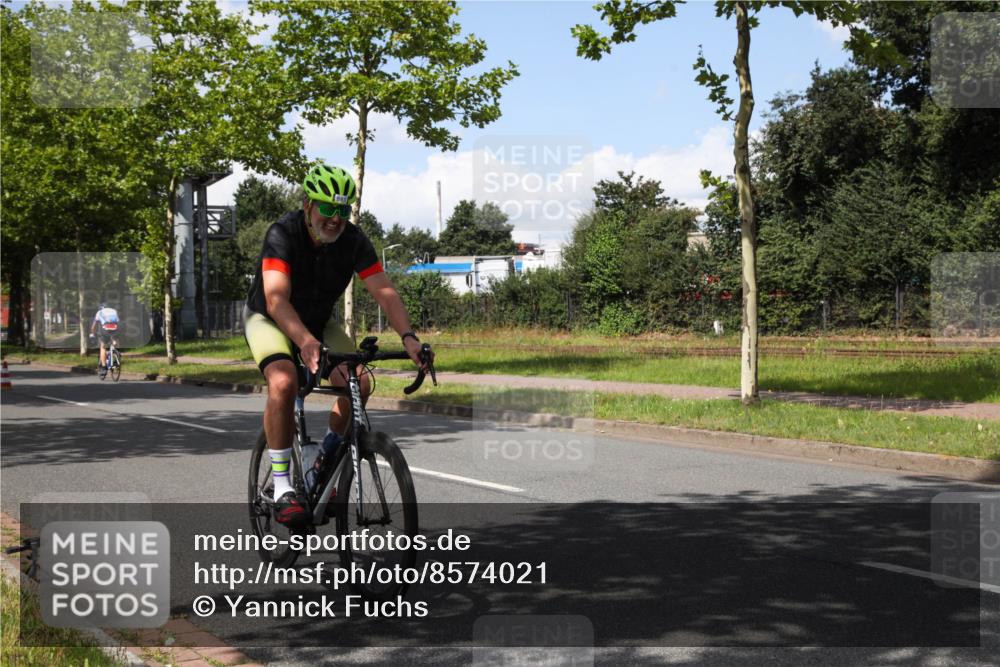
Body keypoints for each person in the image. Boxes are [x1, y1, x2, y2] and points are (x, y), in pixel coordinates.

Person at [244, 163, 432, 525]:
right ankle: (283, 487)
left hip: (317, 322)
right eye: (328, 208)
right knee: (283, 381)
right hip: (269, 318)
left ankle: (322, 461)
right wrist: (304, 341)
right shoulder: (282, 233)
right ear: (308, 205)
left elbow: (385, 291)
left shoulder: (353, 241)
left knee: (358, 382)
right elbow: (276, 299)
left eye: (343, 210)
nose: (335, 219)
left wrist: (409, 338)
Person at [90, 303, 121, 379]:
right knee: (115, 339)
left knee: (103, 347)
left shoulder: (99, 312)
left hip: (106, 328)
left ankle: (104, 367)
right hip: (115, 328)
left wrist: (93, 333)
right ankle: (116, 351)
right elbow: (118, 322)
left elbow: (94, 326)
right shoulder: (114, 311)